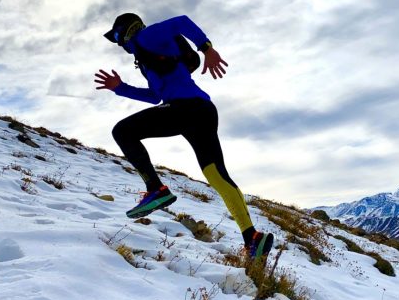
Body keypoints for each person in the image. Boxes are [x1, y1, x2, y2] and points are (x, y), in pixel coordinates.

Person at [95, 13, 274, 259]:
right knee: (216, 175)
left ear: (127, 31)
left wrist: (207, 49)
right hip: (200, 111)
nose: (119, 44)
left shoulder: (147, 36)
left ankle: (155, 188)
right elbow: (154, 97)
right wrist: (120, 88)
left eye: (117, 37)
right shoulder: (147, 61)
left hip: (186, 108)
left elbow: (181, 22)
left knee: (123, 131)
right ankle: (252, 237)